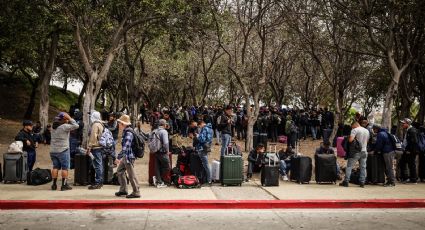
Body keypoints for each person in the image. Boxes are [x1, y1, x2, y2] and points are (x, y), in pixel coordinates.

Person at [50, 112, 79, 191]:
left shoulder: (53, 127)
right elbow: (76, 126)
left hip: (53, 150)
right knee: (65, 168)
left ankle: (54, 185)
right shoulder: (64, 127)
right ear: (64, 120)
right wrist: (69, 118)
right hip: (63, 150)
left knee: (55, 167)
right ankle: (64, 185)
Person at [114, 114, 141, 198]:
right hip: (127, 156)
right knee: (120, 171)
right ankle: (123, 190)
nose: (119, 124)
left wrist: (118, 157)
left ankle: (136, 191)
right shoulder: (127, 131)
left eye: (120, 123)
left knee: (131, 174)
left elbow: (126, 147)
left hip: (129, 156)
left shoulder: (128, 133)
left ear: (124, 124)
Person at [339, 121, 370, 188]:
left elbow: (350, 140)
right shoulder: (366, 130)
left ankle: (346, 181)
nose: (352, 128)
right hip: (364, 151)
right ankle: (362, 182)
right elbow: (367, 141)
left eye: (352, 126)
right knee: (363, 167)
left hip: (356, 152)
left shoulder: (355, 130)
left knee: (349, 166)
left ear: (354, 125)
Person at [86, 111, 105, 190]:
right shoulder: (101, 124)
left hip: (95, 147)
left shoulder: (95, 125)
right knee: (99, 164)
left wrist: (89, 147)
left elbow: (93, 137)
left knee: (97, 165)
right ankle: (100, 181)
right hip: (100, 146)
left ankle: (98, 182)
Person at [400, 118, 419, 184]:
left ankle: (413, 179)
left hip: (410, 151)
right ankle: (408, 178)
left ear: (407, 124)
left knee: (411, 164)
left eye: (403, 123)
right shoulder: (408, 130)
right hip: (407, 150)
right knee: (403, 163)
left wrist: (409, 150)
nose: (402, 124)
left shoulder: (412, 131)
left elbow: (414, 142)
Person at [195, 120, 213, 185]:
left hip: (202, 148)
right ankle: (207, 179)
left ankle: (209, 181)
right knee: (206, 164)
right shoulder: (210, 128)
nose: (199, 127)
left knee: (206, 164)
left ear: (202, 124)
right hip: (207, 147)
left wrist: (198, 136)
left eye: (199, 126)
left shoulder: (204, 128)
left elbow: (202, 139)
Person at [153, 119, 171, 188]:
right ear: (164, 124)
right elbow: (166, 143)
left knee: (157, 167)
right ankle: (160, 180)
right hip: (162, 151)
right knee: (167, 166)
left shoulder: (155, 130)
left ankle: (158, 181)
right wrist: (167, 151)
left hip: (156, 151)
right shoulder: (164, 132)